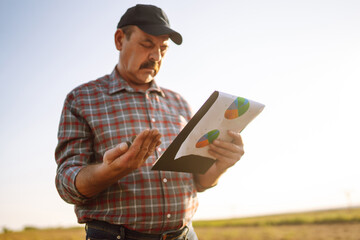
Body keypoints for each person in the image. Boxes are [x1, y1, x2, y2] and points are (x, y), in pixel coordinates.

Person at [55, 4, 244, 240]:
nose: (155, 56)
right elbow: (66, 184)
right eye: (147, 44)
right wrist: (111, 171)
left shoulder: (180, 103)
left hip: (184, 235)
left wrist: (221, 165)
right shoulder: (82, 99)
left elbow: (198, 182)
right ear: (119, 39)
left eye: (163, 48)